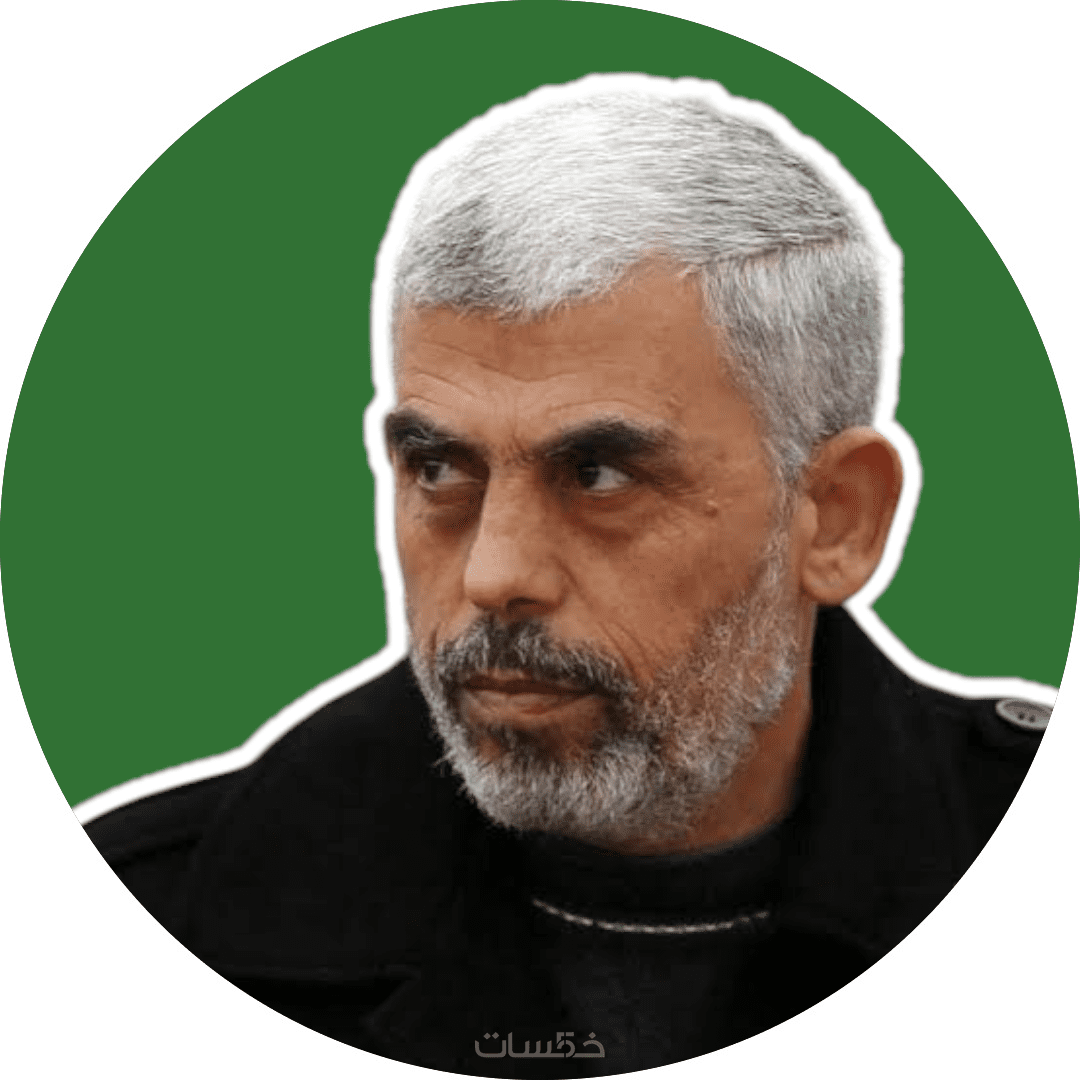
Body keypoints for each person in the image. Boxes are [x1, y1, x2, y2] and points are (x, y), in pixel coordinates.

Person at [83, 74, 1051, 1077]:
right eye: (440, 469)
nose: (494, 573)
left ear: (837, 518)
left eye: (598, 475)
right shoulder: (139, 932)